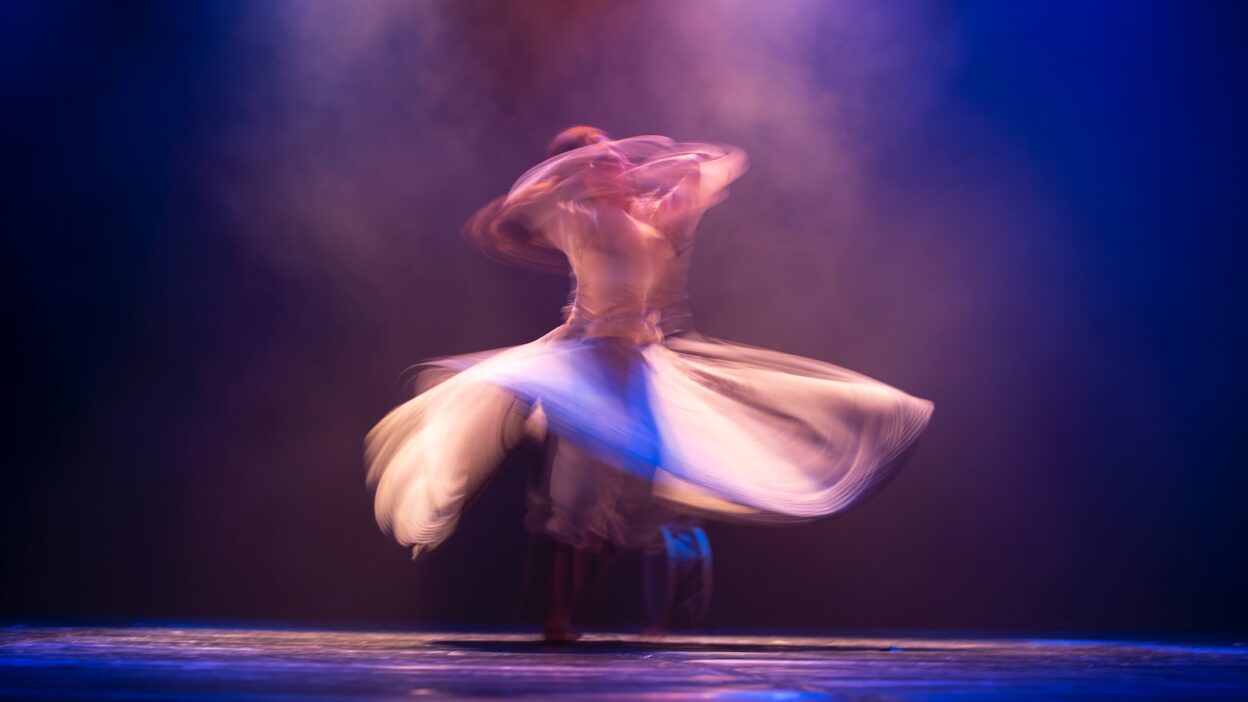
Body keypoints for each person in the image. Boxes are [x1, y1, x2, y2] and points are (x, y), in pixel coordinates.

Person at [365, 127, 933, 640]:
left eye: (613, 156)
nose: (613, 165)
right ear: (580, 175)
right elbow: (508, 216)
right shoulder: (577, 217)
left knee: (633, 495)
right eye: (599, 160)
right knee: (579, 496)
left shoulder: (649, 216)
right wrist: (575, 173)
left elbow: (720, 167)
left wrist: (675, 165)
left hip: (640, 362)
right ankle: (557, 613)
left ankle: (597, 601)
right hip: (589, 358)